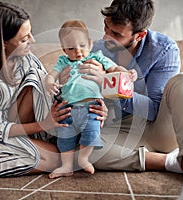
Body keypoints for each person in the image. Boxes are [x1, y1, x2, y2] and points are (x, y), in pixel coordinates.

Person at [58, 0, 183, 199]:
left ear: (139, 35)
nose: (107, 37)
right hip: (122, 130)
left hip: (158, 129)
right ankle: (170, 162)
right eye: (106, 27)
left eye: (116, 34)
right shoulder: (100, 49)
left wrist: (109, 83)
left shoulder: (164, 49)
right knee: (81, 150)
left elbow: (153, 111)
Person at [0, 2, 107, 178]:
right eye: (24, 39)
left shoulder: (26, 59)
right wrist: (43, 125)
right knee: (53, 159)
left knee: (42, 79)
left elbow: (47, 95)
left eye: (30, 33)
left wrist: (87, 102)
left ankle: (10, 153)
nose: (32, 40)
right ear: (3, 43)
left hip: (15, 128)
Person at [45, 19, 137, 179]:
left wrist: (127, 73)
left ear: (89, 42)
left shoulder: (97, 57)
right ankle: (66, 165)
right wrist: (49, 83)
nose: (78, 51)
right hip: (68, 108)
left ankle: (83, 158)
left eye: (82, 45)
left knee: (92, 132)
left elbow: (114, 68)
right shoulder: (63, 62)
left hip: (91, 107)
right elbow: (51, 75)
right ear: (64, 49)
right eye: (71, 48)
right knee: (64, 136)